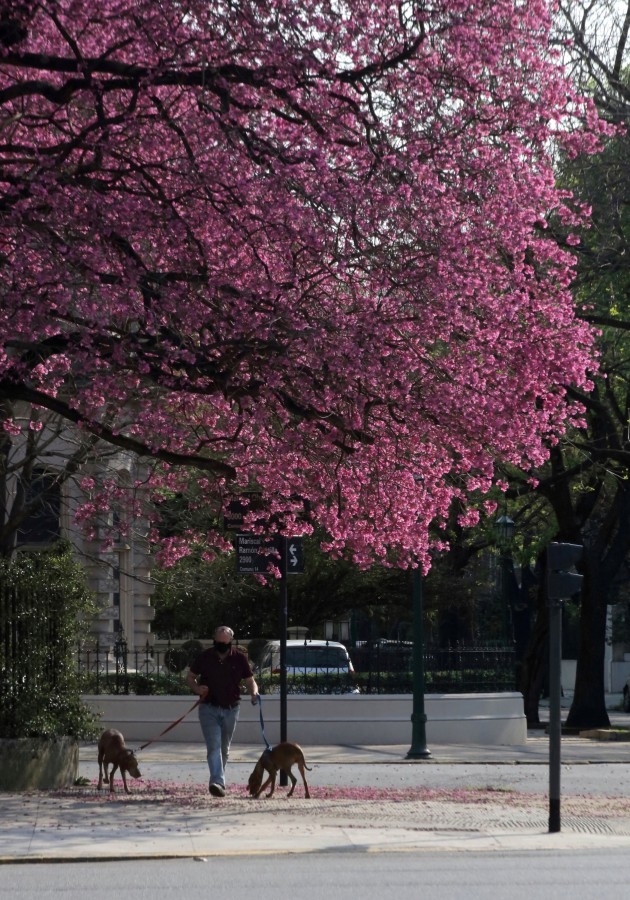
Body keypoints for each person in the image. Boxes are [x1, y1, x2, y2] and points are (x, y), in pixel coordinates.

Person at [186, 625, 259, 797]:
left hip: (231, 709)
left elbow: (250, 681)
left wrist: (254, 693)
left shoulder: (239, 659)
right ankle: (217, 782)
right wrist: (197, 689)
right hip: (208, 708)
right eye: (218, 642)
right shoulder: (205, 657)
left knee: (224, 749)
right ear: (214, 641)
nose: (221, 646)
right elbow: (189, 677)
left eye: (224, 643)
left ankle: (218, 778)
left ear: (230, 642)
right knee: (214, 747)